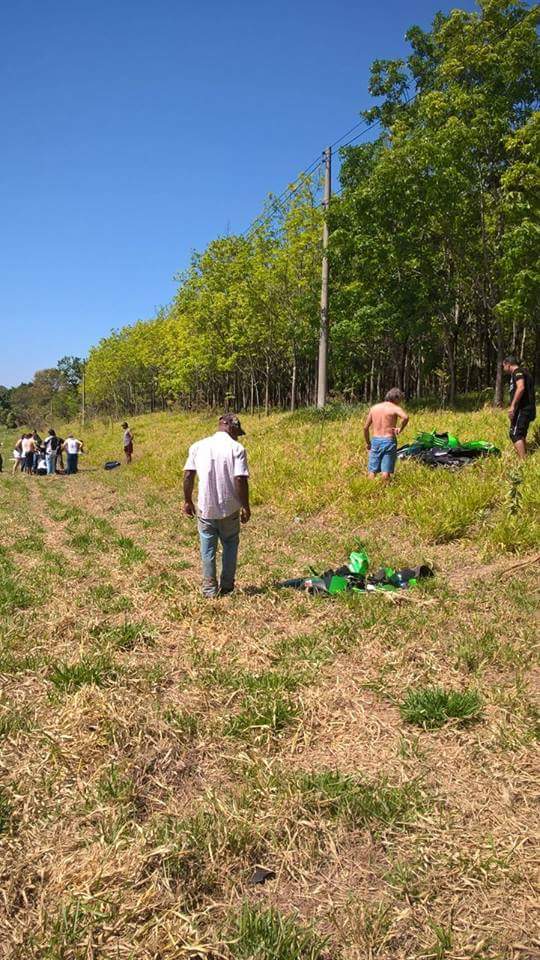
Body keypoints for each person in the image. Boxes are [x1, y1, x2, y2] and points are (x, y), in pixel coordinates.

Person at [183, 413, 251, 598]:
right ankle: (227, 586)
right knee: (230, 544)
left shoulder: (198, 446)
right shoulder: (237, 448)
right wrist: (245, 506)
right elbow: (240, 479)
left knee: (207, 548)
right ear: (229, 426)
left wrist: (188, 500)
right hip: (230, 509)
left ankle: (209, 590)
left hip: (206, 508)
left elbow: (188, 475)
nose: (237, 436)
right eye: (237, 432)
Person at [364, 388, 409, 480]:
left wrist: (368, 443)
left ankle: (370, 487)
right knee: (386, 471)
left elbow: (365, 428)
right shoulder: (394, 408)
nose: (400, 402)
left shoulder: (374, 408)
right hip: (389, 440)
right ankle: (384, 487)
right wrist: (400, 428)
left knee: (372, 471)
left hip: (375, 440)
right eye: (400, 399)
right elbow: (406, 417)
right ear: (396, 398)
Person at [503, 356, 536, 459]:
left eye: (503, 366)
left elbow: (521, 387)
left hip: (523, 408)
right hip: (528, 408)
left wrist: (512, 406)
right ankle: (524, 455)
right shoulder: (526, 372)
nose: (503, 369)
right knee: (521, 433)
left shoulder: (518, 372)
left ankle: (523, 460)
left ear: (508, 364)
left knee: (515, 434)